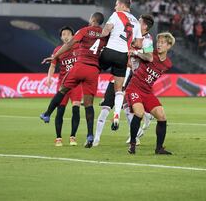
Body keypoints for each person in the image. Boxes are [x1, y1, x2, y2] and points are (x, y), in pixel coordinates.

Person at [40, 12, 107, 148]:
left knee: (63, 89)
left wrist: (54, 56)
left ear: (93, 19)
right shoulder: (106, 34)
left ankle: (47, 114)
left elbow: (70, 44)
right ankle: (89, 135)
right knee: (89, 104)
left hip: (81, 65)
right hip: (94, 70)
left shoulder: (84, 30)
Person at [94, 14, 154, 146]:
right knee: (125, 105)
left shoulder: (147, 40)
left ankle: (142, 120)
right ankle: (142, 122)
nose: (136, 23)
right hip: (122, 69)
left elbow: (149, 57)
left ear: (144, 26)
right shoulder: (132, 34)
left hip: (133, 74)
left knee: (122, 104)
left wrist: (136, 52)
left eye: (139, 21)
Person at [126, 32, 175, 155]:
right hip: (135, 87)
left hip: (147, 91)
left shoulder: (168, 64)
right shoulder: (149, 53)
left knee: (162, 116)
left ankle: (159, 149)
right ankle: (132, 144)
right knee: (139, 113)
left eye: (162, 43)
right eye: (158, 42)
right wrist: (134, 53)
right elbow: (137, 51)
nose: (159, 44)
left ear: (169, 46)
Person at [99, 0, 143, 131]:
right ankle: (116, 114)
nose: (115, 6)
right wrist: (132, 44)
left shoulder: (116, 15)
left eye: (117, 4)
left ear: (122, 5)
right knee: (119, 89)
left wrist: (98, 35)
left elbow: (105, 32)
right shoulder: (136, 21)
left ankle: (85, 95)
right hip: (122, 56)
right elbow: (139, 44)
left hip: (109, 51)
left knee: (91, 67)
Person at [44, 26, 82, 146]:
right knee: (60, 111)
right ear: (61, 37)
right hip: (63, 85)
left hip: (76, 84)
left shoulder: (79, 47)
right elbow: (53, 66)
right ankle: (58, 138)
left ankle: (73, 137)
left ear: (72, 35)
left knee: (76, 109)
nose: (66, 36)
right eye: (63, 34)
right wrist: (49, 77)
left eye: (68, 34)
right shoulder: (58, 50)